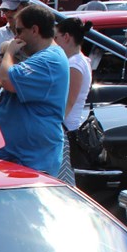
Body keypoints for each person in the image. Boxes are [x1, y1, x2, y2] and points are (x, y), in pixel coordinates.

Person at [0, 5, 69, 178]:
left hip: (33, 160)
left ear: (34, 30)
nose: (16, 38)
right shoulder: (41, 57)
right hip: (17, 156)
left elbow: (7, 80)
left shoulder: (49, 59)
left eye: (19, 31)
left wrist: (9, 53)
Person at [55, 17, 92, 184]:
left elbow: (68, 103)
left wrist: (52, 127)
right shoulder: (79, 60)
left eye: (56, 37)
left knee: (62, 184)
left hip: (66, 131)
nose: (54, 42)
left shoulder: (74, 64)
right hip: (67, 129)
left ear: (66, 37)